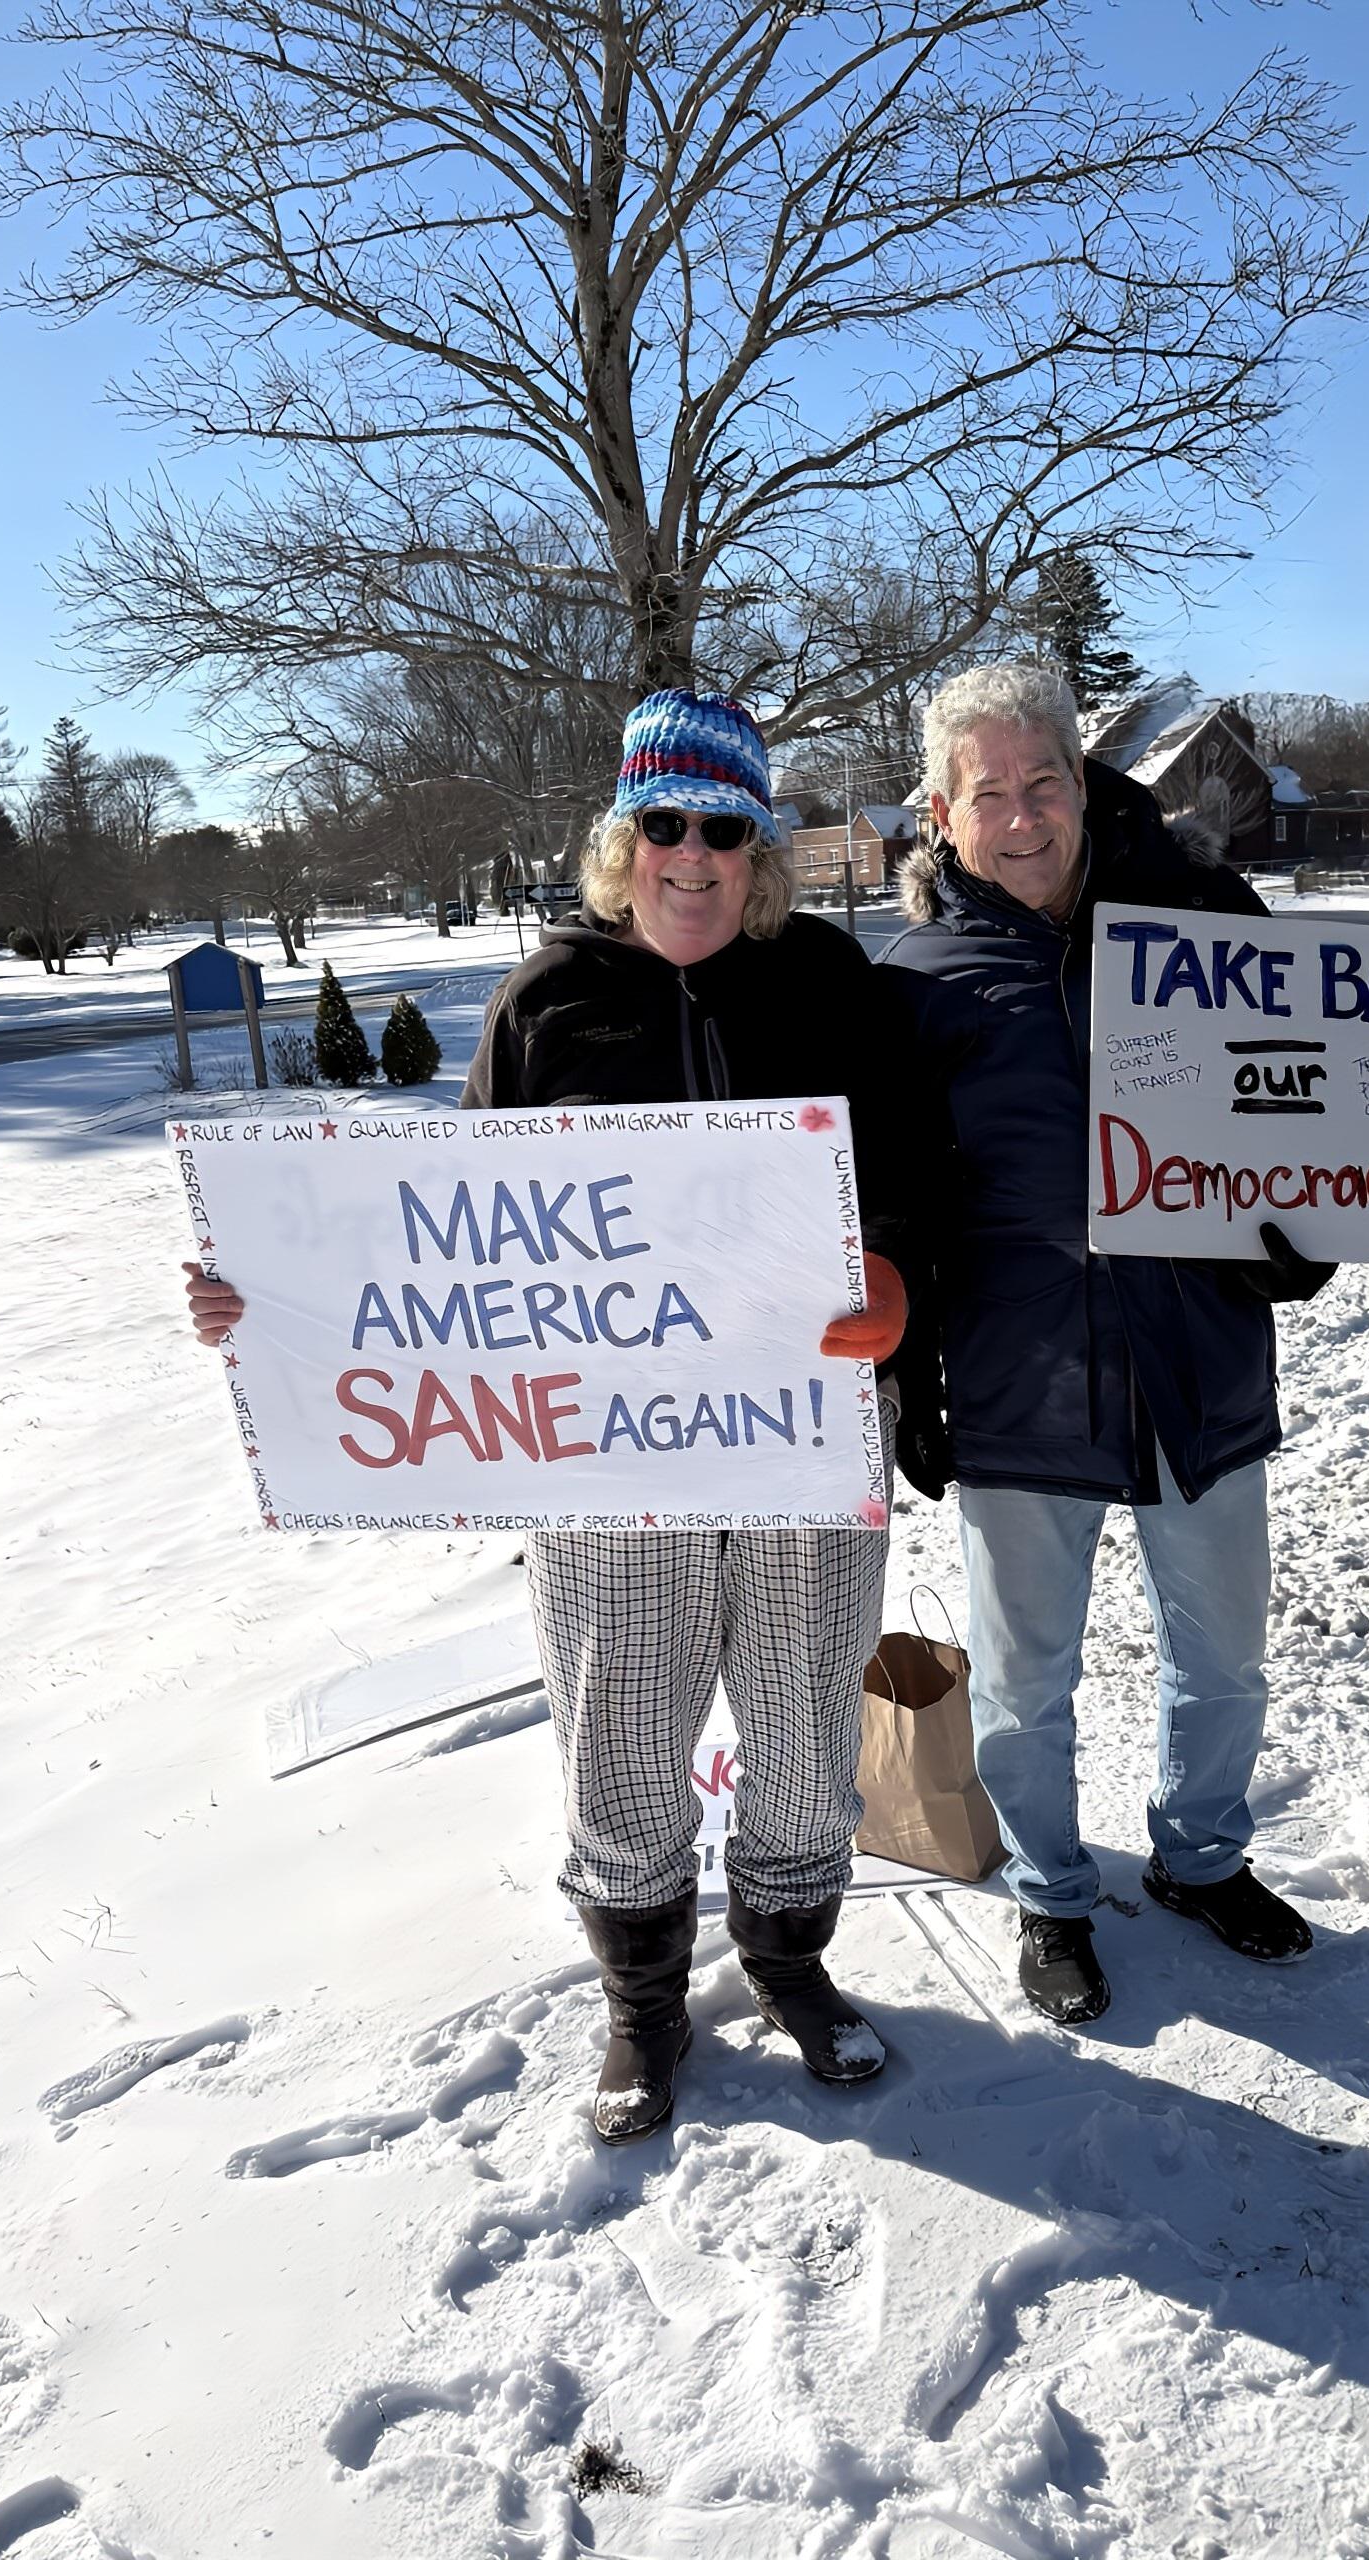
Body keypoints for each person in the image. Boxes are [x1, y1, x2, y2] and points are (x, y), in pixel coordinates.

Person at [186, 690, 912, 2143]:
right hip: (601, 1446)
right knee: (619, 1718)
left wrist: (896, 1271)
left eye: (725, 829)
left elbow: (910, 1167)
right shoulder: (543, 1006)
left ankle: (789, 1962)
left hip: (806, 1418)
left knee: (804, 1697)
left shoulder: (828, 982)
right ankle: (643, 2003)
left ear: (760, 849)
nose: (693, 856)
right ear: (622, 836)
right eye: (665, 825)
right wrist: (270, 1295)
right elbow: (451, 1243)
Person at [881, 663, 1333, 2026]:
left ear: (1083, 784)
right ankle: (1051, 1892)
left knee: (1226, 1654)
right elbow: (893, 1196)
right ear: (942, 815)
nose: (1023, 819)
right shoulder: (911, 984)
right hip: (1027, 1382)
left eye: (1043, 784)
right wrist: (912, 1372)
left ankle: (1202, 1857)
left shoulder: (1205, 921)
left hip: (1197, 1363)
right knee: (1026, 1680)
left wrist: (1303, 1218)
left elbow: (1308, 1097)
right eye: (989, 796)